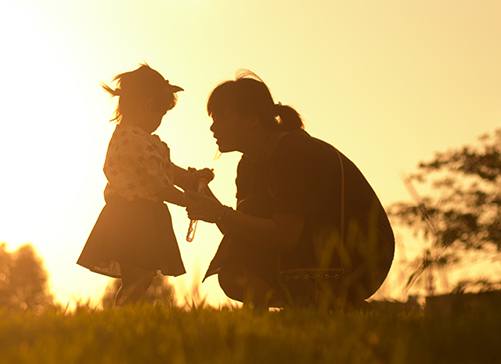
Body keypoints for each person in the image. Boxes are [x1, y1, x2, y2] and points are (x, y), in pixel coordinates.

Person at [185, 74, 394, 308]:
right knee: (233, 274)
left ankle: (325, 307)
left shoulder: (294, 154)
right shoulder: (248, 164)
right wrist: (208, 201)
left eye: (221, 117)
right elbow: (243, 235)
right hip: (315, 249)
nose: (213, 127)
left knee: (253, 209)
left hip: (363, 257)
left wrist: (220, 213)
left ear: (252, 120)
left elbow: (285, 235)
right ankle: (320, 311)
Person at [77, 64, 214, 305]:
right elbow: (157, 186)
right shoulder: (134, 141)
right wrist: (188, 200)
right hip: (134, 219)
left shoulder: (136, 139)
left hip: (137, 217)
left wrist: (191, 179)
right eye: (160, 114)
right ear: (149, 106)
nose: (160, 121)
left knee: (140, 278)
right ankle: (123, 318)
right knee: (138, 277)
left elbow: (165, 171)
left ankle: (124, 318)